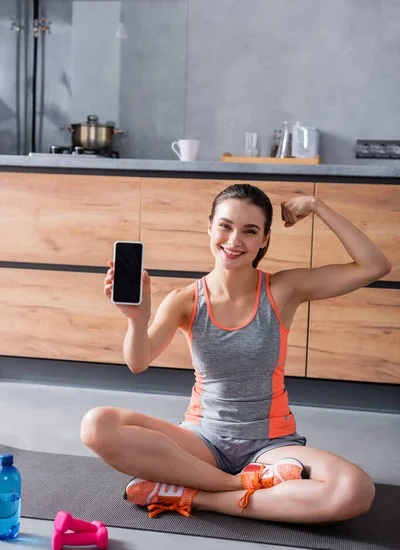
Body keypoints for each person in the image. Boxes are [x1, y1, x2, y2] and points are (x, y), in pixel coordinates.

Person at [80, 183, 391, 523]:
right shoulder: (185, 300)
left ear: (265, 240)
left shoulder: (283, 289)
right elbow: (138, 362)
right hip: (201, 443)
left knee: (354, 490)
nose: (234, 240)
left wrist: (317, 205)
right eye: (225, 226)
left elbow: (374, 266)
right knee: (97, 425)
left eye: (249, 231)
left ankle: (198, 497)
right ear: (210, 227)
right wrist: (136, 320)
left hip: (272, 445)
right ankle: (238, 485)